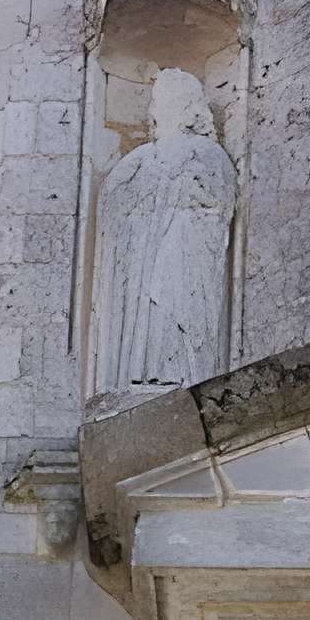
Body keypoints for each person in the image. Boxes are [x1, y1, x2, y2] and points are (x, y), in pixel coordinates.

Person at [97, 69, 235, 392]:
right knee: (150, 309)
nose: (154, 109)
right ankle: (144, 375)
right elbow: (114, 206)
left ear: (185, 106)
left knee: (176, 307)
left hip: (186, 257)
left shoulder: (207, 155)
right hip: (149, 261)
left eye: (161, 100)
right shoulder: (142, 159)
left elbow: (217, 208)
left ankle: (187, 372)